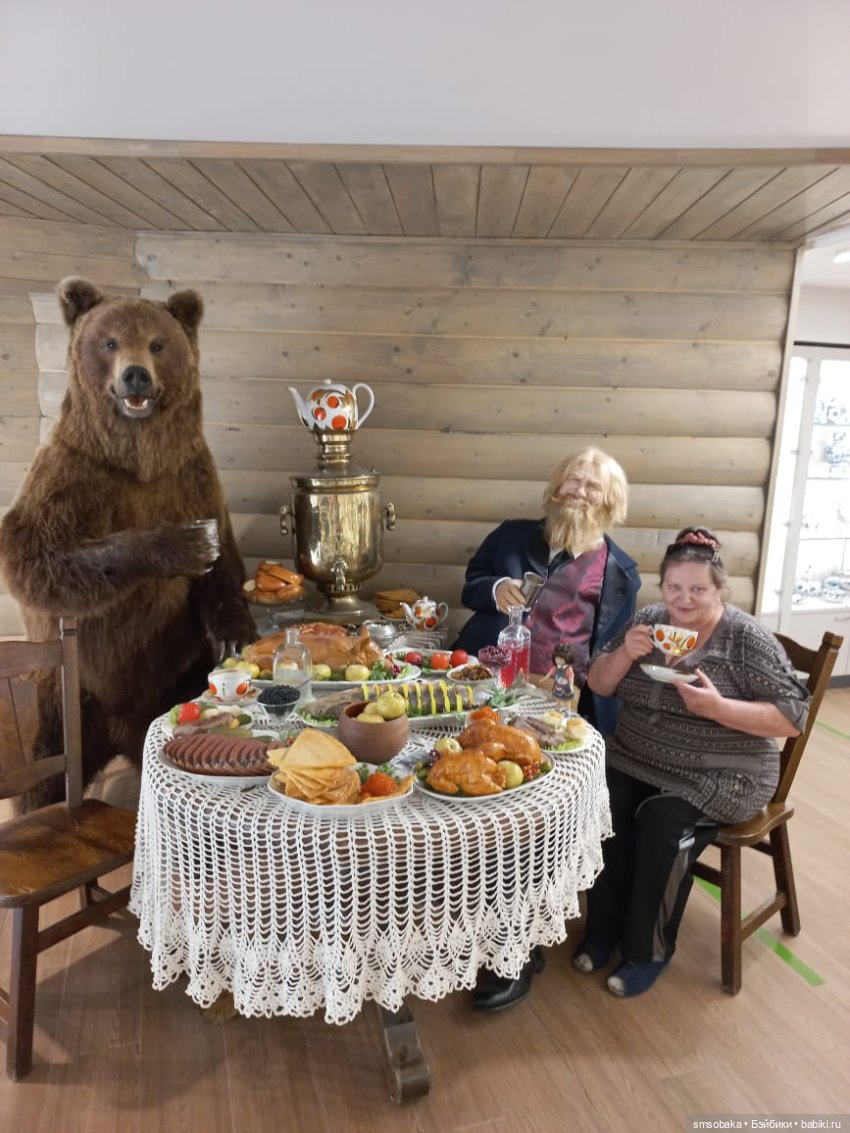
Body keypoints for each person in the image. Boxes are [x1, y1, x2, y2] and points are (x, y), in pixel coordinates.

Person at [576, 527, 811, 998]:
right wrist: (624, 653)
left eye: (698, 589)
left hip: (724, 772)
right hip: (638, 757)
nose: (683, 599)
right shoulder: (648, 621)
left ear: (719, 588)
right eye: (674, 587)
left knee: (662, 822)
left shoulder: (744, 638)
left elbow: (793, 717)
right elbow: (598, 684)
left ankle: (648, 951)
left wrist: (719, 708)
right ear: (662, 585)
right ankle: (603, 932)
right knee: (604, 804)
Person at [453, 447, 640, 736]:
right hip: (481, 680)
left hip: (556, 698)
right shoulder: (510, 536)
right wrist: (495, 589)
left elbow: (611, 653)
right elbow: (471, 587)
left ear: (610, 501)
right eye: (573, 480)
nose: (579, 491)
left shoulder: (622, 575)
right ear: (557, 488)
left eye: (593, 487)